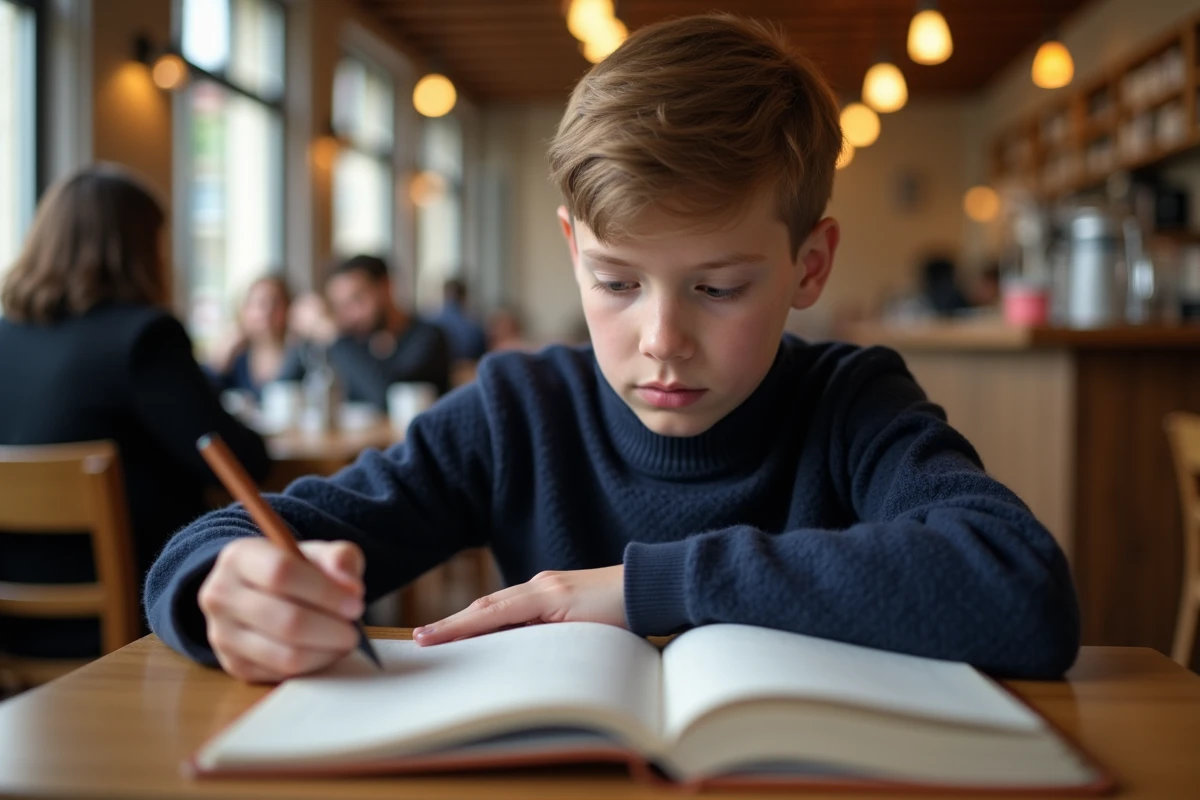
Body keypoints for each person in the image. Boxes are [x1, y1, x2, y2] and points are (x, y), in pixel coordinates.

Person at [145, 15, 1079, 684]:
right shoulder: (519, 411)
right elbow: (233, 532)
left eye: (718, 287)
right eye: (617, 282)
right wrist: (220, 588)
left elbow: (1020, 588)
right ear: (571, 250)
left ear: (810, 264)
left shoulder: (854, 404)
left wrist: (650, 586)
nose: (662, 340)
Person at [0, 164, 269, 658]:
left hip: (12, 618)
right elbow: (242, 460)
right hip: (136, 613)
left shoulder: (4, 337)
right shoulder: (144, 337)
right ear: (140, 249)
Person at [285, 255, 451, 408]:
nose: (349, 313)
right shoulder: (352, 340)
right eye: (340, 305)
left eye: (357, 299)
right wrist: (303, 336)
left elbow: (386, 397)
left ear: (387, 287)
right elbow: (283, 387)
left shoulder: (428, 337)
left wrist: (335, 337)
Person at [206, 275, 298, 400]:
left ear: (289, 309)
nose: (267, 312)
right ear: (244, 310)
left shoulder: (301, 356)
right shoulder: (236, 359)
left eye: (275, 303)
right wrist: (219, 363)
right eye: (260, 304)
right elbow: (203, 397)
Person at [434, 278, 488, 361]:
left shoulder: (432, 324)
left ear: (444, 295)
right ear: (464, 296)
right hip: (466, 370)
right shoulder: (475, 327)